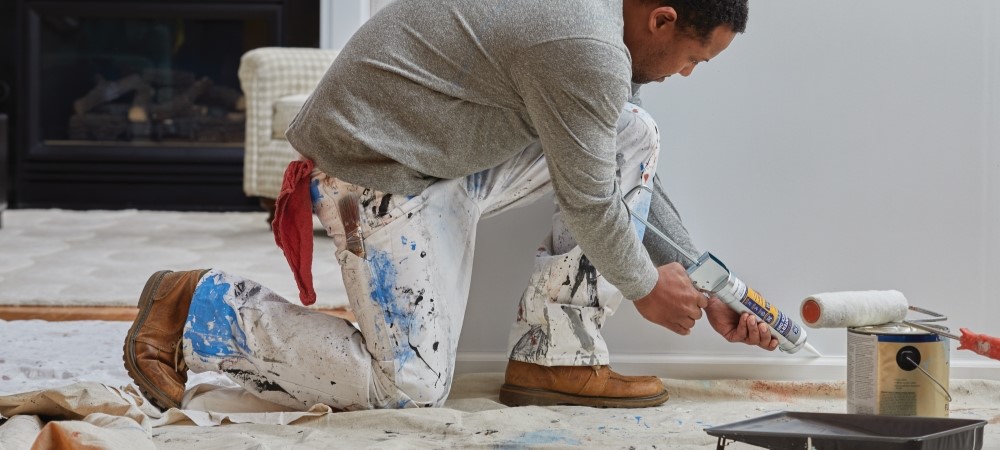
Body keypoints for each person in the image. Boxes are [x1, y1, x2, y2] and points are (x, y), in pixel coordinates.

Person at [123, 0, 778, 412]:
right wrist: (645, 288)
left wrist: (710, 283)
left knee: (633, 133)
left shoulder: (598, 30)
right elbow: (589, 203)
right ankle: (197, 304)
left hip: (439, 157)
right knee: (406, 391)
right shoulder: (589, 48)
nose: (688, 72)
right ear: (661, 18)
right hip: (371, 174)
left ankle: (555, 354)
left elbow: (605, 172)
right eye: (695, 57)